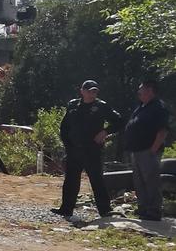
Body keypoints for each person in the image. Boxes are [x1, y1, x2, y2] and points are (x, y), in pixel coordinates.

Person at [52, 80, 122, 218]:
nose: (92, 94)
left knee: (97, 180)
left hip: (92, 150)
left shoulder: (101, 106)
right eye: (89, 91)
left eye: (95, 91)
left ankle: (105, 210)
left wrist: (105, 132)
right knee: (71, 180)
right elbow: (64, 127)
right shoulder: (73, 105)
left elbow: (119, 121)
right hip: (74, 149)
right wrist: (67, 144)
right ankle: (66, 209)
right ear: (82, 91)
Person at [124, 80, 170, 221]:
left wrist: (153, 149)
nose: (139, 92)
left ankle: (154, 210)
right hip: (137, 150)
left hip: (148, 150)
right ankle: (143, 208)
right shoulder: (142, 107)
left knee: (151, 181)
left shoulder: (158, 107)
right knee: (139, 181)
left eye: (141, 89)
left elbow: (163, 130)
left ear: (150, 90)